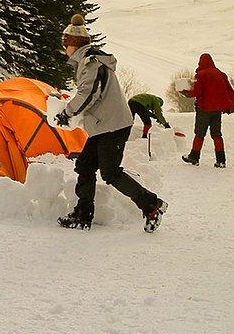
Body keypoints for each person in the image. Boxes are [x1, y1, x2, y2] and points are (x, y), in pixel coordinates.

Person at [55, 14, 168, 232]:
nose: (64, 47)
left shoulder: (90, 62)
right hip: (103, 125)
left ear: (73, 43)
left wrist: (66, 113)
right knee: (85, 166)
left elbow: (88, 94)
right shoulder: (89, 60)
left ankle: (152, 205)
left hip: (113, 125)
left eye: (65, 42)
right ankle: (83, 215)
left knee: (110, 172)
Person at [181, 53, 234, 168]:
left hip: (204, 109)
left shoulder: (201, 75)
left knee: (199, 134)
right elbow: (228, 90)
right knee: (217, 135)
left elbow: (197, 92)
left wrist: (186, 93)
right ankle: (221, 161)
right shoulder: (221, 74)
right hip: (217, 110)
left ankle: (194, 157)